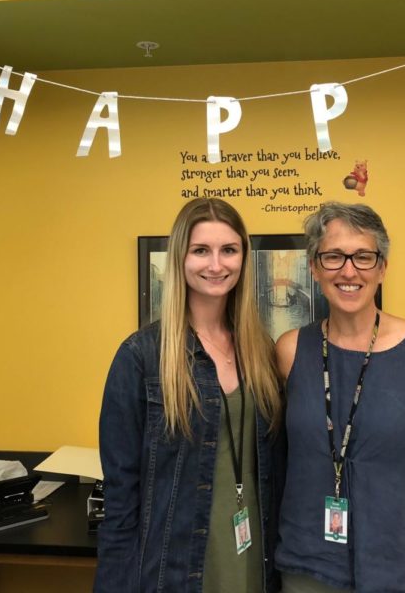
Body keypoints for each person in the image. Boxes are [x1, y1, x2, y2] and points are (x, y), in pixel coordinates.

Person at [275, 202, 405, 593]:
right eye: (333, 257)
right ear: (314, 268)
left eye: (363, 257)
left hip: (404, 569)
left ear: (382, 267)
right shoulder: (290, 351)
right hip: (308, 568)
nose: (349, 271)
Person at [95, 198, 284, 593]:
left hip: (254, 560)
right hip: (176, 569)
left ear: (244, 259)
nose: (216, 265)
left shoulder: (262, 351)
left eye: (228, 250)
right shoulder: (141, 357)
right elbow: (120, 500)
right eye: (201, 251)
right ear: (180, 258)